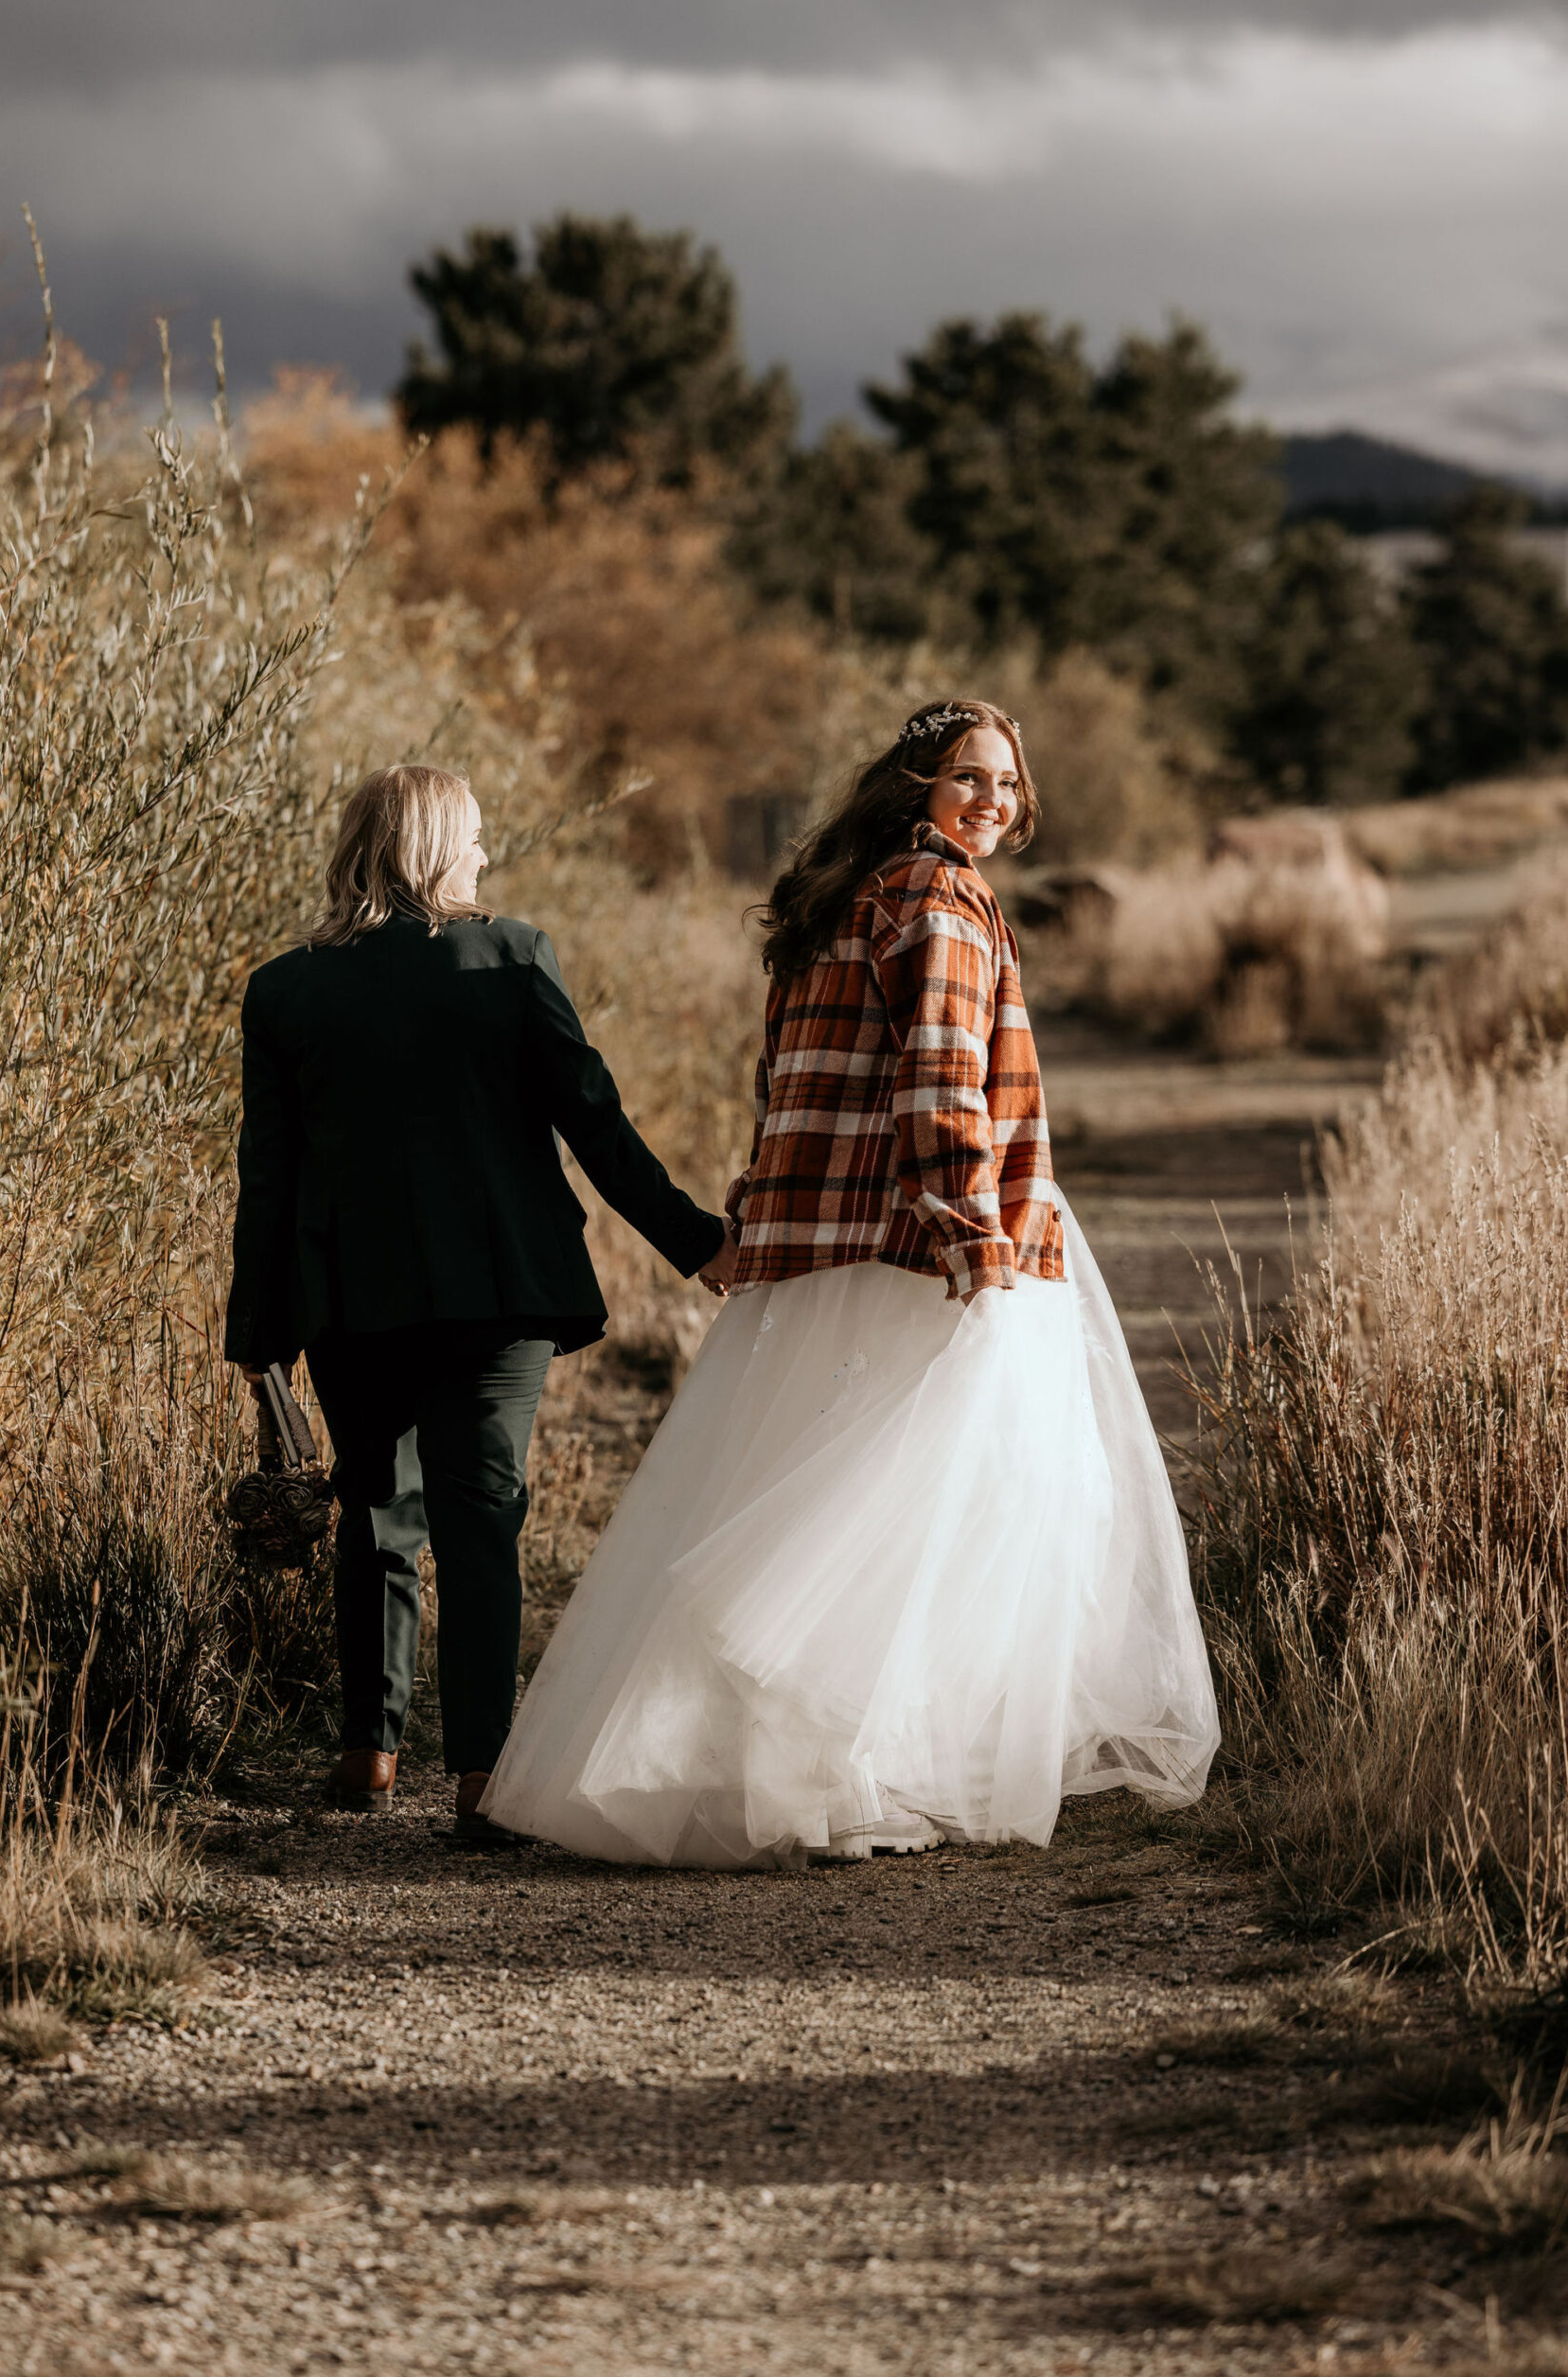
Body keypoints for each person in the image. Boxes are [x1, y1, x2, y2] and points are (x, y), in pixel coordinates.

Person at [479, 701, 1219, 1865]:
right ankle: (848, 1752)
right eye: (971, 777)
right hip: (923, 1230)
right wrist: (977, 1237)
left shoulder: (839, 898)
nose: (994, 801)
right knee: (940, 1506)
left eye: (1010, 787)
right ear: (917, 781)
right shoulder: (940, 901)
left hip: (821, 1233)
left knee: (826, 1484)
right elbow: (941, 1078)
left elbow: (786, 1083)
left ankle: (804, 1764)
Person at [224, 763, 733, 1835]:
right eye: (479, 838)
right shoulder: (509, 957)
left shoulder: (285, 989)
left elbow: (266, 1177)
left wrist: (258, 1331)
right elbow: (595, 1121)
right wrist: (696, 1244)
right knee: (482, 1519)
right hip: (497, 1289)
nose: (489, 856)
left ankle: (370, 1752)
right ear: (437, 847)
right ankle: (481, 1783)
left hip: (350, 1297)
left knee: (377, 1511)